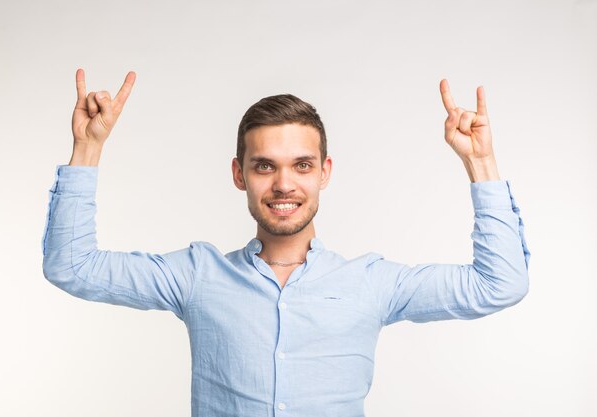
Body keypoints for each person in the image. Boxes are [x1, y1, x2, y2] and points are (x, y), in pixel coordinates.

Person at [42, 68, 531, 417]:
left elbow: (499, 285)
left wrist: (480, 163)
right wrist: (88, 147)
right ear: (240, 175)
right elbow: (72, 266)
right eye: (264, 166)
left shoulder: (372, 283)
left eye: (301, 165)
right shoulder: (194, 276)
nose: (283, 185)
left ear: (324, 173)